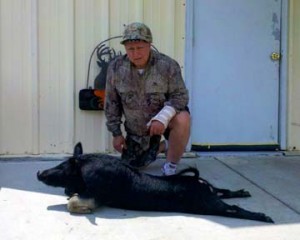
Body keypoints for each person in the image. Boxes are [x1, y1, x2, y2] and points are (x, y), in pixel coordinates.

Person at [105, 22, 190, 175]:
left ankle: (170, 167)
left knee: (183, 118)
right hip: (136, 133)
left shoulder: (168, 65)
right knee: (133, 169)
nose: (135, 53)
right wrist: (116, 134)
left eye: (140, 48)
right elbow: (112, 103)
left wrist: (163, 118)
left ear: (149, 44)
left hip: (162, 126)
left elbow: (181, 95)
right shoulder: (116, 68)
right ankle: (161, 146)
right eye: (130, 49)